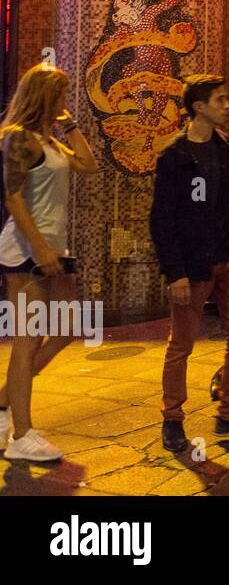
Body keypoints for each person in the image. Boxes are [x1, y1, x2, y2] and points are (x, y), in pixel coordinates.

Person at [151, 75, 229, 451]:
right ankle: (173, 418)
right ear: (199, 107)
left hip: (228, 256)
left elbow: (225, 200)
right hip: (192, 264)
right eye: (220, 100)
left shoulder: (220, 146)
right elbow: (162, 218)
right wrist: (176, 271)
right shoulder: (174, 156)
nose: (227, 106)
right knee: (182, 343)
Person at [0, 64, 99, 463]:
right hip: (26, 252)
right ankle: (21, 434)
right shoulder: (18, 139)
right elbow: (14, 198)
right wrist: (39, 248)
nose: (64, 101)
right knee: (27, 339)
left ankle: (5, 402)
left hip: (53, 250)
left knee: (67, 329)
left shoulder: (51, 142)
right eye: (59, 95)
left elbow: (90, 164)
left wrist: (70, 123)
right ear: (43, 95)